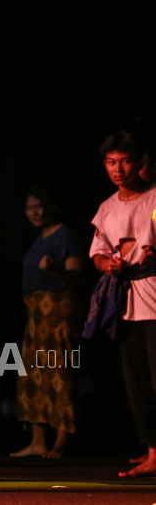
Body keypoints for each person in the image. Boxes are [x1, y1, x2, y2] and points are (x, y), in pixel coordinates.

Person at [86, 130, 156, 477]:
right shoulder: (107, 208)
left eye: (125, 161)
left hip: (154, 297)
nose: (118, 168)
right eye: (112, 162)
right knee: (136, 380)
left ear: (139, 162)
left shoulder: (155, 199)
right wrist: (106, 264)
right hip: (125, 303)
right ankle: (152, 449)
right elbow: (97, 253)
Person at [10, 186, 83, 459]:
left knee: (58, 371)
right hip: (35, 312)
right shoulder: (39, 237)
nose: (34, 212)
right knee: (32, 373)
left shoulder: (65, 234)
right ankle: (38, 441)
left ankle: (61, 442)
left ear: (52, 206)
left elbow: (76, 273)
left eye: (39, 206)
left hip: (58, 308)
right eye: (29, 207)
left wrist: (54, 270)